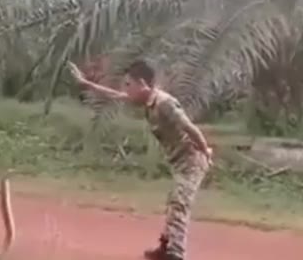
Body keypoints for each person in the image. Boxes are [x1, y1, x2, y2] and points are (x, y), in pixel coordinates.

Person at [68, 59, 213, 260]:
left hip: (192, 161)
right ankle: (165, 246)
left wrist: (205, 150)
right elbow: (115, 95)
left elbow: (189, 127)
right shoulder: (146, 101)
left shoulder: (165, 103)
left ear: (143, 84)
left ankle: (175, 253)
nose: (125, 90)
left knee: (180, 203)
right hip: (178, 161)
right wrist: (88, 85)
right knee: (174, 202)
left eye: (129, 85)